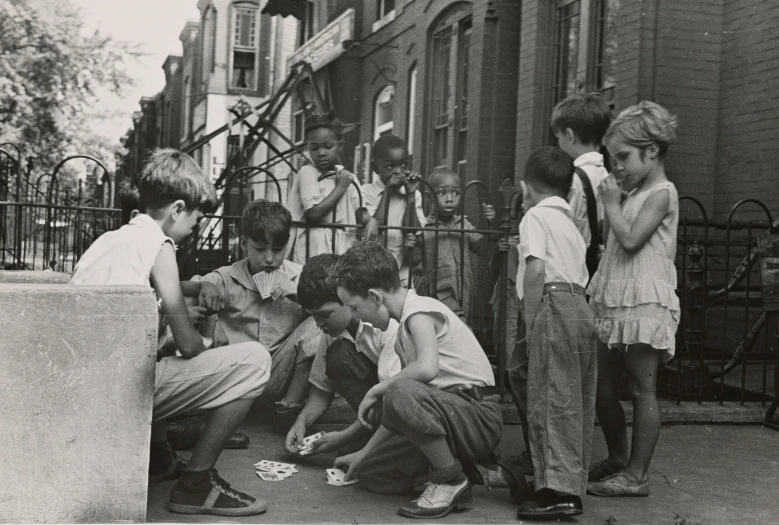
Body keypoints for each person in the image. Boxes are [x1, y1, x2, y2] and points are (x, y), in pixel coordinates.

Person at [70, 149, 269, 517]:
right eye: (196, 216)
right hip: (119, 395)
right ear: (177, 208)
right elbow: (189, 344)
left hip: (80, 387)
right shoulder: (159, 246)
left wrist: (191, 289)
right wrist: (214, 341)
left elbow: (143, 304)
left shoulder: (111, 241)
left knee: (155, 346)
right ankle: (196, 484)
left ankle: (158, 457)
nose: (196, 225)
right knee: (255, 361)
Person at [329, 241, 526, 519]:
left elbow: (426, 370)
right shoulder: (402, 335)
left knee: (398, 389)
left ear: (374, 297)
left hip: (478, 417)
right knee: (371, 473)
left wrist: (377, 388)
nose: (355, 316)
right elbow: (399, 412)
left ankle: (449, 480)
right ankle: (477, 470)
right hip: (452, 418)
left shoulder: (419, 311)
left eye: (355, 308)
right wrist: (363, 453)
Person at [586, 102, 680, 497]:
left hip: (645, 300)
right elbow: (612, 242)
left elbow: (630, 239)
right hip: (616, 297)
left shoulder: (661, 192)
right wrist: (615, 202)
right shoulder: (632, 192)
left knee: (643, 390)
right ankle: (617, 458)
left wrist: (609, 203)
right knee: (603, 390)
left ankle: (637, 476)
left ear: (653, 151)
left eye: (623, 157)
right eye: (612, 158)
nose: (616, 166)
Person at [512, 147, 597, 520]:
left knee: (550, 395)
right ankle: (562, 480)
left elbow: (535, 270)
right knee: (571, 399)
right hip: (581, 307)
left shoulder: (535, 216)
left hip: (552, 303)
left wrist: (531, 324)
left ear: (526, 187)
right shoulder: (571, 224)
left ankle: (557, 492)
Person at [193, 200, 322, 426]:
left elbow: (335, 312)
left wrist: (304, 298)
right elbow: (177, 292)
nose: (269, 258)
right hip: (235, 381)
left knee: (318, 324)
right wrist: (205, 291)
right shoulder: (226, 277)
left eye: (278, 249)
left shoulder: (300, 276)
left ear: (287, 245)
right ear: (244, 243)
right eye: (260, 249)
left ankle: (289, 408)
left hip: (276, 380)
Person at [285, 254, 400, 457]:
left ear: (346, 299)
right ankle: (367, 432)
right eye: (313, 316)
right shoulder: (334, 331)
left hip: (400, 403)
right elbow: (322, 388)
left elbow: (391, 399)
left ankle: (375, 438)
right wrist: (300, 423)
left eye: (324, 314)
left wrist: (346, 436)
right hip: (380, 404)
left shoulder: (384, 324)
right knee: (338, 355)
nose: (318, 324)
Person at [488, 192, 533, 475]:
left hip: (525, 296)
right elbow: (495, 269)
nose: (518, 221)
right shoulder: (509, 237)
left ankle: (513, 386)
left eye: (521, 215)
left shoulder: (533, 236)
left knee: (520, 340)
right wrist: (501, 249)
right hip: (506, 291)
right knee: (505, 337)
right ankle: (504, 386)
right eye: (515, 216)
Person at [287, 112, 364, 263]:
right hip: (314, 247)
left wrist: (372, 221)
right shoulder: (307, 172)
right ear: (308, 147)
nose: (321, 153)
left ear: (340, 145)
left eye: (328, 146)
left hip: (342, 247)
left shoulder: (347, 176)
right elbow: (314, 213)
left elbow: (359, 212)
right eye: (314, 148)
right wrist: (340, 187)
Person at [421, 168, 495, 321]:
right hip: (438, 290)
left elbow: (482, 248)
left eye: (455, 193)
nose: (450, 199)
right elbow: (414, 259)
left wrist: (490, 224)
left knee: (458, 325)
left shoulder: (463, 224)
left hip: (463, 289)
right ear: (429, 197)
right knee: (453, 324)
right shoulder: (425, 228)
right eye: (442, 193)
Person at [551, 92, 612, 278]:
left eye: (559, 137)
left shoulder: (573, 180)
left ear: (569, 135)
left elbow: (559, 233)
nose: (559, 144)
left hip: (571, 270)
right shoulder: (607, 176)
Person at [361, 134, 426, 288]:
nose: (399, 171)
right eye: (390, 166)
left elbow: (413, 230)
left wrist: (410, 195)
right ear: (376, 168)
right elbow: (376, 225)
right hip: (371, 270)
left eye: (404, 165)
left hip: (401, 272)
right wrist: (389, 190)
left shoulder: (413, 194)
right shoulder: (366, 192)